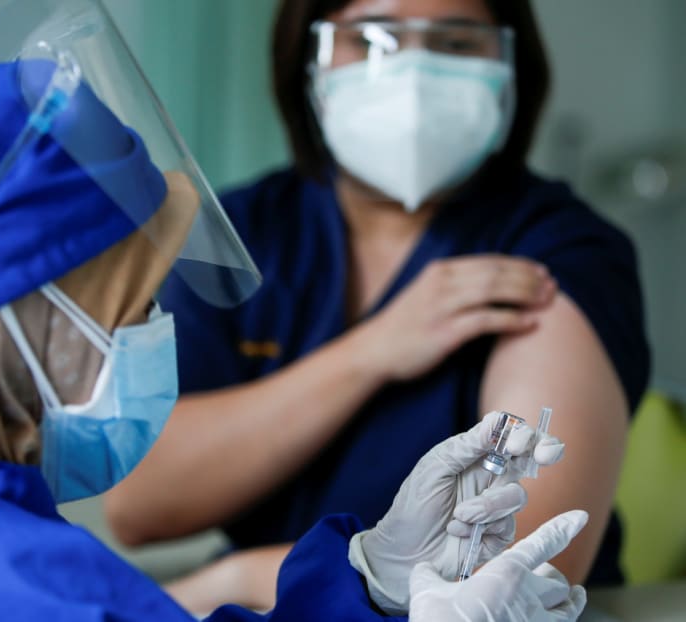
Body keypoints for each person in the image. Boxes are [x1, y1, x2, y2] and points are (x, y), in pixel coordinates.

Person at [0, 4, 589, 619]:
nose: (146, 334)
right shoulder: (7, 583)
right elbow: (145, 511)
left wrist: (369, 576)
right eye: (126, 307)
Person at [104, 0, 650, 611]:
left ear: (510, 64)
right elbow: (139, 501)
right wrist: (373, 352)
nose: (413, 74)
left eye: (457, 43)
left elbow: (511, 567)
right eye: (370, 40)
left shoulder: (556, 248)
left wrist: (235, 580)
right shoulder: (245, 232)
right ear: (306, 62)